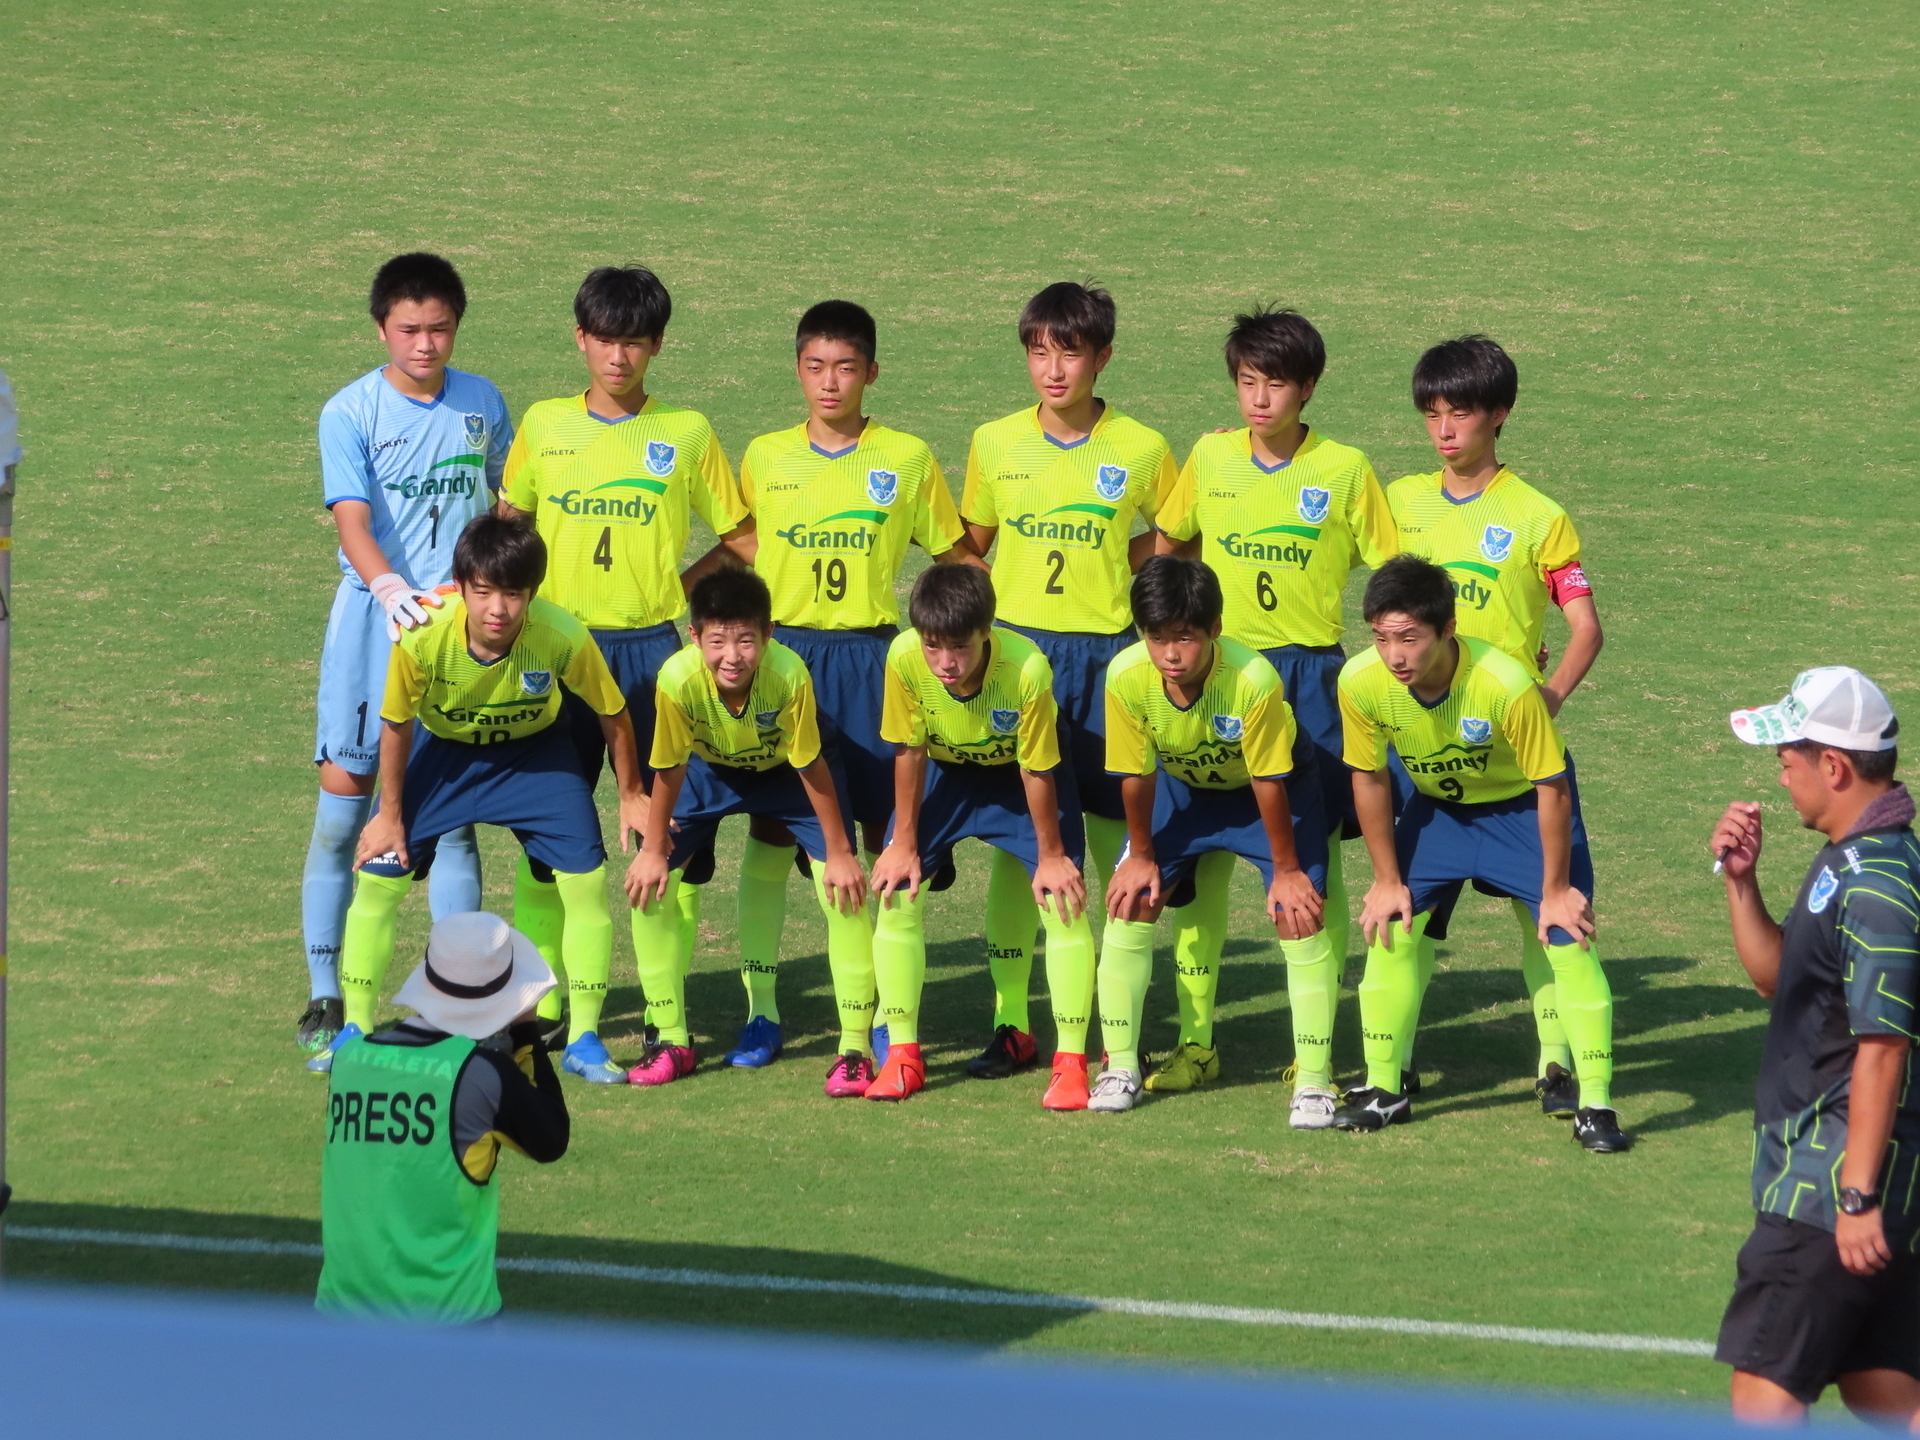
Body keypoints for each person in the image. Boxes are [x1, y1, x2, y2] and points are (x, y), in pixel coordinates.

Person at [498, 265, 752, 1078]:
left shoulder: (686, 431)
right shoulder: (543, 425)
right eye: (605, 340)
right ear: (581, 339)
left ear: (657, 346)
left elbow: (743, 537)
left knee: (660, 837)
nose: (618, 357)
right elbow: (509, 527)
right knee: (547, 840)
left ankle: (662, 1014)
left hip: (651, 655)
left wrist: (677, 588)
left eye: (634, 342)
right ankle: (535, 1012)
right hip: (557, 656)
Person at [722, 299, 974, 1073]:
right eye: (815, 366)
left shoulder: (905, 456)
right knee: (772, 827)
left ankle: (875, 1027)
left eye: (846, 367)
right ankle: (763, 1014)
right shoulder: (765, 455)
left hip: (870, 661)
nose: (830, 382)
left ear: (872, 372)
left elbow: (955, 551)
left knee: (883, 840)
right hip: (783, 658)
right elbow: (739, 534)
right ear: (797, 369)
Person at [1151, 305, 1394, 1092]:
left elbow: (1392, 578)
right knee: (1197, 864)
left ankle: (1311, 1046)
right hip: (1213, 676)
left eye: (1276, 384)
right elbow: (1170, 544)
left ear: (1308, 388)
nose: (1259, 399)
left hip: (1306, 681)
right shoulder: (1210, 457)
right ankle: (1196, 1041)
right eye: (1247, 382)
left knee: (1307, 864)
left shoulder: (1346, 470)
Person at [324, 515, 645, 1079]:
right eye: (484, 592)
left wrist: (632, 793)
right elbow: (396, 723)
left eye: (514, 594)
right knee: (377, 874)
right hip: (443, 757)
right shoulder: (423, 634)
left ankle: (587, 1039)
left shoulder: (562, 635)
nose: (498, 609)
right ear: (462, 586)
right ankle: (354, 1029)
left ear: (533, 594)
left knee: (586, 881)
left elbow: (612, 712)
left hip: (534, 758)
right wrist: (390, 816)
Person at [956, 281, 1175, 1082]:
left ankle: (1116, 1029)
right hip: (1020, 665)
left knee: (1120, 848)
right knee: (1025, 849)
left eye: (1070, 351)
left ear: (1103, 356)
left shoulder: (1143, 448)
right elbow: (968, 541)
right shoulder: (994, 442)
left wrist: (1127, 580)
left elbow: (1175, 540)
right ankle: (1014, 1024)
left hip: (1111, 664)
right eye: (1039, 351)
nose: (1053, 369)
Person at [1332, 556, 1624, 1151]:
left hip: (1523, 809)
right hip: (1440, 813)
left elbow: (1552, 786)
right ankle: (1385, 1088)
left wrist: (1555, 890)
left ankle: (1595, 1104)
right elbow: (1367, 778)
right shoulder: (1360, 683)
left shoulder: (1504, 684)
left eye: (1410, 638)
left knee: (1567, 935)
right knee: (1391, 927)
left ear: (1446, 629)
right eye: (1383, 638)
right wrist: (1386, 879)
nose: (1395, 656)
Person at [300, 253, 510, 1070]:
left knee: (452, 822)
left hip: (457, 632)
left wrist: (487, 589)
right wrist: (389, 589)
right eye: (410, 330)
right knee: (344, 814)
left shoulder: (484, 401)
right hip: (372, 627)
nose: (426, 345)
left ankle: (461, 1006)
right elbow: (351, 519)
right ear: (382, 327)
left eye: (440, 329)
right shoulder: (348, 411)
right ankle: (327, 999)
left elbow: (504, 501)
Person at [1387, 336, 1605, 1118]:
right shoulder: (1399, 502)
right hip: (1421, 747)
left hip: (1514, 752)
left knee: (1546, 911)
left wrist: (1546, 698)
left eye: (1461, 413)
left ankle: (1555, 1065)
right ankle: (1394, 1066)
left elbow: (1585, 627)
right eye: (1432, 414)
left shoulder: (1539, 517)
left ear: (1499, 415)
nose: (1445, 430)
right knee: (1404, 919)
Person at [1710, 667, 1920, 1427]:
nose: (1780, 770)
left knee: (1761, 1399)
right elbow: (1781, 982)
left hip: (1828, 1191)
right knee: (1886, 1397)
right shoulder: (1851, 863)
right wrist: (1742, 883)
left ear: (1833, 766)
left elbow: (1884, 1046)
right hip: (1855, 1188)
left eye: (1787, 755)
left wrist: (1856, 1196)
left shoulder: (1879, 888)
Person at [1097, 557, 1330, 1118]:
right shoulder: (1127, 677)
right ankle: (1121, 1067)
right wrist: (1141, 856)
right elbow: (1134, 773)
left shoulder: (1252, 681)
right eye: (1157, 638)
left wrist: (1287, 870)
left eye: (1185, 638)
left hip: (1271, 796)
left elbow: (1268, 780)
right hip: (1185, 789)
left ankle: (1316, 1081)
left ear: (1215, 631)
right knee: (1129, 902)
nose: (1171, 655)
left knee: (1297, 915)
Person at [625, 568, 871, 1091]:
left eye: (745, 640)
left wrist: (840, 850)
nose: (731, 656)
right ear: (695, 637)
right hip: (708, 773)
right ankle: (671, 1038)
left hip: (788, 774)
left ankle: (854, 1044)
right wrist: (653, 848)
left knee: (843, 889)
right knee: (648, 885)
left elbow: (809, 764)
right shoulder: (676, 679)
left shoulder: (789, 674)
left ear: (769, 634)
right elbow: (669, 765)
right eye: (717, 641)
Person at [868, 565, 1094, 1107]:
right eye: (934, 647)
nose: (946, 663)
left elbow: (1037, 770)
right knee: (897, 889)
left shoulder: (1026, 670)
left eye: (961, 648)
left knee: (1060, 897)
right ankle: (902, 1055)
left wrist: (1052, 854)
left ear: (987, 631)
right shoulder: (902, 658)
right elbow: (908, 748)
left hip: (1018, 776)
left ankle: (1067, 1060)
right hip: (946, 773)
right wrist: (902, 842)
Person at [317, 910, 569, 1323]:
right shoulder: (483, 1075)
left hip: (340, 1320)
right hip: (449, 1327)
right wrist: (525, 1034)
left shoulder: (349, 1060)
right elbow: (551, 1138)